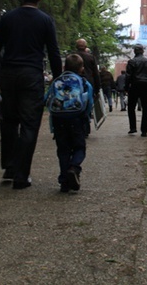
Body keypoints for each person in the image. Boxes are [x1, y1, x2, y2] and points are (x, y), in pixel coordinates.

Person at [0, 0, 63, 190]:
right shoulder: (45, 20)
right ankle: (21, 174)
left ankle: (10, 167)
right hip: (31, 75)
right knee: (30, 123)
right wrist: (58, 77)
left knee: (9, 120)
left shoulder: (8, 17)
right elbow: (53, 51)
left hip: (8, 74)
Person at [50, 53, 93, 193]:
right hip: (77, 119)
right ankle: (74, 167)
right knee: (79, 147)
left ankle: (64, 182)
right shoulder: (84, 83)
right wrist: (85, 117)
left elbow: (47, 99)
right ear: (81, 68)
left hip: (59, 120)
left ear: (64, 66)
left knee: (63, 150)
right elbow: (89, 103)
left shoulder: (57, 81)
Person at [125, 44, 147, 137]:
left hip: (135, 85)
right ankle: (144, 130)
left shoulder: (131, 62)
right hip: (146, 86)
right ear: (143, 51)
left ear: (134, 51)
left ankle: (133, 127)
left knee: (131, 107)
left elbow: (128, 76)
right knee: (146, 108)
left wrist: (126, 88)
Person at [73, 39, 102, 136]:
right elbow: (96, 74)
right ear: (85, 47)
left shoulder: (72, 56)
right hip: (88, 84)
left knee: (74, 104)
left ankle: (74, 127)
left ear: (76, 46)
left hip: (74, 84)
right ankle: (85, 129)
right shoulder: (90, 57)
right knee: (87, 105)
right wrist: (97, 88)